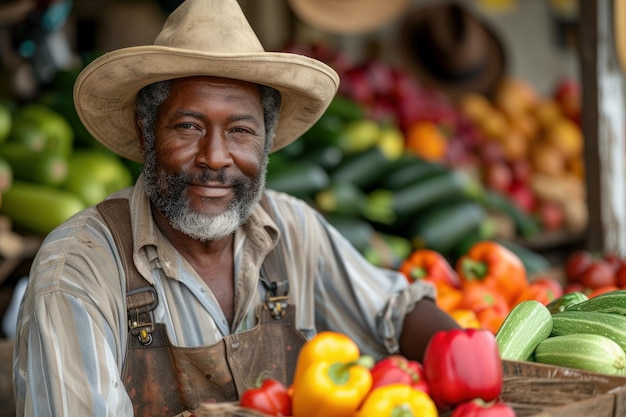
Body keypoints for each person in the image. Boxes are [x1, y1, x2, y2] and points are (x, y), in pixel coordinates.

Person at [13, 0, 460, 416]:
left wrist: (471, 360)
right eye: (188, 126)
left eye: (241, 130)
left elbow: (395, 313)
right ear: (146, 131)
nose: (215, 157)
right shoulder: (77, 272)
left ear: (265, 140)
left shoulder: (290, 228)